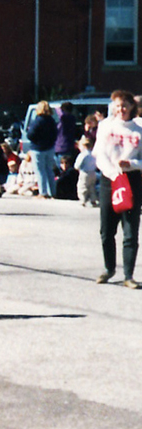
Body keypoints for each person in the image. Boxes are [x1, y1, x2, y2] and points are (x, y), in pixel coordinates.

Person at [92, 89, 142, 288]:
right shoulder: (105, 126)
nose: (121, 109)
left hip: (132, 180)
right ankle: (109, 268)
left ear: (132, 107)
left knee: (130, 230)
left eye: (124, 105)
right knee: (107, 230)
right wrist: (113, 172)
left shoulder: (139, 128)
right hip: (109, 179)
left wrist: (132, 164)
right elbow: (99, 153)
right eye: (117, 106)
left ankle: (128, 275)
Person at [26, 100, 58, 198]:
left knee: (40, 170)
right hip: (49, 147)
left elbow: (30, 134)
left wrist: (36, 140)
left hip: (38, 148)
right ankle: (53, 192)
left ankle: (43, 192)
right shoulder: (52, 120)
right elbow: (55, 134)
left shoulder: (38, 120)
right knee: (49, 170)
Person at [75, 135, 98, 207]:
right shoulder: (93, 154)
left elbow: (77, 165)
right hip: (93, 172)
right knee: (91, 186)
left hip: (84, 172)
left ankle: (83, 200)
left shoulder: (82, 155)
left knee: (82, 186)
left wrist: (77, 168)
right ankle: (93, 200)